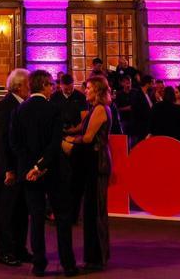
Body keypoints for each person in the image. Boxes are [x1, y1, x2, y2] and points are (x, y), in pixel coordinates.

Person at [12, 70, 76, 277]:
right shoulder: (54, 110)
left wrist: (31, 168)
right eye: (51, 85)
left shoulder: (19, 110)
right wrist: (41, 166)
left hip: (29, 174)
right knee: (63, 218)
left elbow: (15, 143)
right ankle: (68, 264)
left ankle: (39, 264)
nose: (53, 88)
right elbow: (55, 143)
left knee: (36, 218)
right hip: (53, 171)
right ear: (44, 86)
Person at [62, 74, 113, 273]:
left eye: (89, 88)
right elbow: (81, 130)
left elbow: (89, 137)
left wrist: (68, 142)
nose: (86, 91)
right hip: (92, 163)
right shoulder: (94, 109)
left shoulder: (101, 109)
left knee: (96, 212)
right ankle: (93, 256)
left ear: (98, 91)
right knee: (91, 212)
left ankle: (97, 258)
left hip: (97, 164)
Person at [0, 68, 31, 267]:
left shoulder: (23, 105)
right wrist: (8, 168)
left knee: (21, 210)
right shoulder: (4, 106)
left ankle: (19, 248)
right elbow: (1, 140)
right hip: (4, 169)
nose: (31, 88)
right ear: (19, 86)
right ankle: (4, 251)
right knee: (6, 212)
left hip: (20, 168)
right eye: (29, 84)